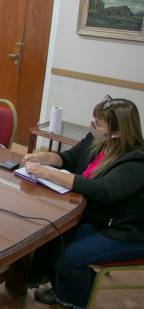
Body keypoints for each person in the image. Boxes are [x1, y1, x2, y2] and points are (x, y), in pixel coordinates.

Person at [22, 96, 144, 308]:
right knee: (53, 234)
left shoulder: (136, 162)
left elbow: (104, 190)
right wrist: (44, 158)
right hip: (99, 219)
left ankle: (72, 302)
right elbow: (69, 158)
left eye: (98, 123)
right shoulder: (97, 142)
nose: (92, 126)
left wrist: (49, 175)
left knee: (69, 257)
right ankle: (63, 287)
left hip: (126, 232)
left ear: (117, 132)